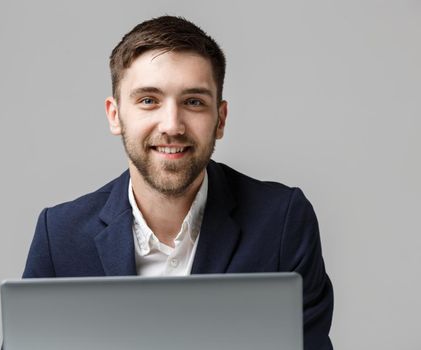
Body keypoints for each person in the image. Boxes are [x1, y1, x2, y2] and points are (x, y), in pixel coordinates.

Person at [23, 15, 334, 349]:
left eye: (193, 102)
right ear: (115, 115)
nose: (172, 125)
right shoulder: (59, 235)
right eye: (148, 100)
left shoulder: (282, 222)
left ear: (220, 119)